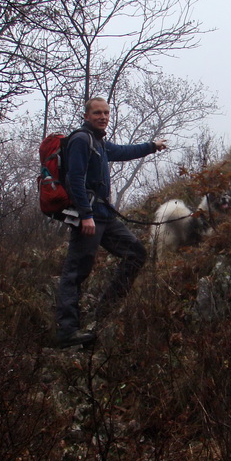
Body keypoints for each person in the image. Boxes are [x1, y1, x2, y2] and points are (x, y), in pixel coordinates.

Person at [55, 97, 167, 348]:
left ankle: (105, 309)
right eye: (97, 113)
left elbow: (124, 151)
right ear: (86, 116)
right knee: (75, 273)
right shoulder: (82, 140)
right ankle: (67, 331)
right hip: (90, 217)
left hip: (105, 216)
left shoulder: (100, 143)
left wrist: (152, 145)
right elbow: (74, 178)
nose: (103, 116)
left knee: (136, 253)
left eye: (106, 112)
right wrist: (85, 215)